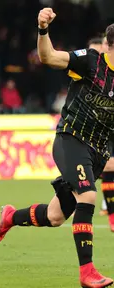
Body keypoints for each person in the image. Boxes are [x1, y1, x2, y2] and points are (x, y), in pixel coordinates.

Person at [0, 8, 114, 287]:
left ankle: (10, 217)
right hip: (71, 139)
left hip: (97, 151)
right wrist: (43, 29)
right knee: (89, 197)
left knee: (55, 216)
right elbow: (48, 56)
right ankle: (87, 273)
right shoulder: (90, 62)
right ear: (108, 46)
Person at [87, 36, 114, 225]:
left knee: (109, 166)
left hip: (108, 125)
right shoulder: (88, 69)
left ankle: (110, 211)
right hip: (89, 128)